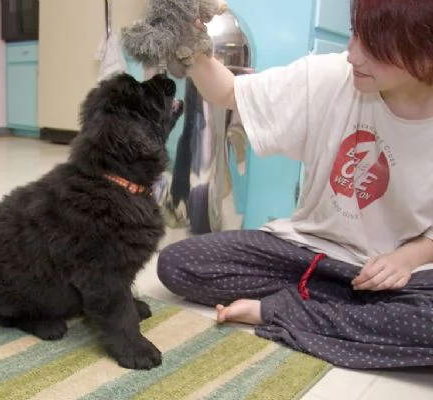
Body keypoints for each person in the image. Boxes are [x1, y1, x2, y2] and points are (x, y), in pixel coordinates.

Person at [157, 0, 433, 369]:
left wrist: (406, 258)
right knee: (179, 264)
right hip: (308, 253)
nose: (352, 54)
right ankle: (340, 311)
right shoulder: (333, 76)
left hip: (394, 275)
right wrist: (193, 45)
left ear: (425, 54)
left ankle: (281, 311)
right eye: (355, 35)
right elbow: (229, 93)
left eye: (373, 45)